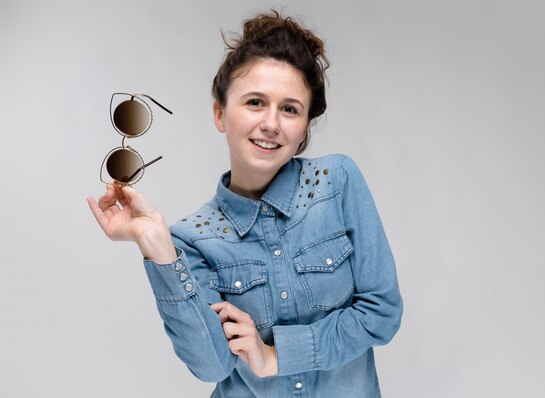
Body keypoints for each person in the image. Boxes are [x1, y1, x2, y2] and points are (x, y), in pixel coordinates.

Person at [88, 10, 402, 398]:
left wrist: (275, 355)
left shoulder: (336, 182)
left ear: (304, 127)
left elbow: (381, 314)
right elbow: (211, 365)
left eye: (289, 109)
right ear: (220, 113)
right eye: (255, 102)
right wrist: (158, 248)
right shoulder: (191, 238)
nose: (271, 123)